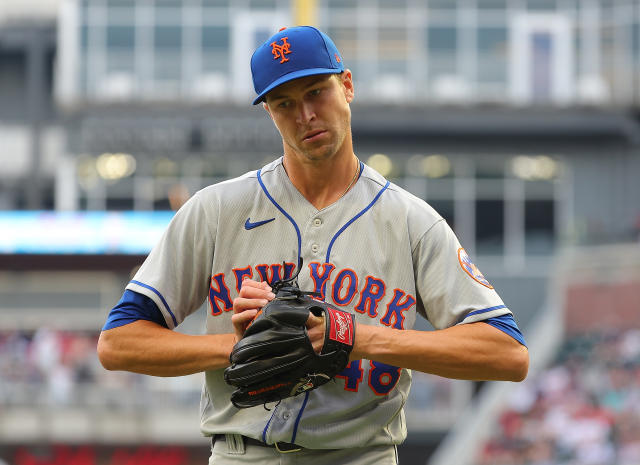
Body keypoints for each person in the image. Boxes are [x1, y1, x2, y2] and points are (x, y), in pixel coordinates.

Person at [97, 26, 529, 464]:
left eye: (316, 92)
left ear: (347, 85)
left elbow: (507, 353)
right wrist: (239, 346)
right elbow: (118, 342)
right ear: (269, 112)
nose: (305, 114)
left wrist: (355, 336)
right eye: (285, 103)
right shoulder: (216, 209)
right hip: (242, 454)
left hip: (361, 455)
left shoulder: (411, 221)